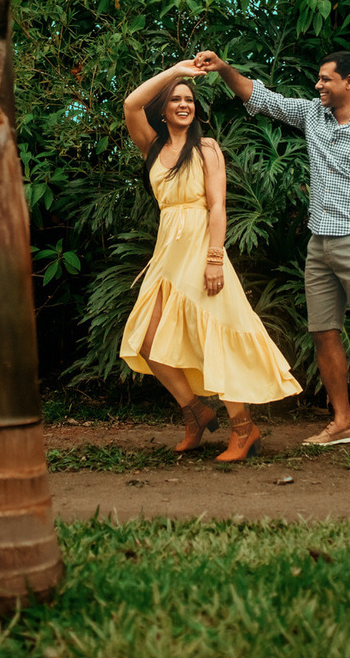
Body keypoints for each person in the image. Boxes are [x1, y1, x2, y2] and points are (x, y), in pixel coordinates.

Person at [193, 49, 350, 449]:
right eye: (318, 79)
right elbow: (262, 98)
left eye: (325, 79)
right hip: (320, 244)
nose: (317, 85)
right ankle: (343, 422)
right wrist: (223, 68)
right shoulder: (312, 116)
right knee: (323, 332)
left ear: (349, 83)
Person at [118, 60, 303, 461]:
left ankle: (244, 428)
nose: (184, 104)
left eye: (189, 100)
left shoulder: (206, 148)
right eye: (176, 100)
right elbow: (132, 103)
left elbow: (218, 206)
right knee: (147, 341)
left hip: (203, 249)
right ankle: (196, 412)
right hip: (167, 253)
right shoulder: (152, 146)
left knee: (216, 334)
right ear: (164, 110)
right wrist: (177, 71)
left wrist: (216, 259)